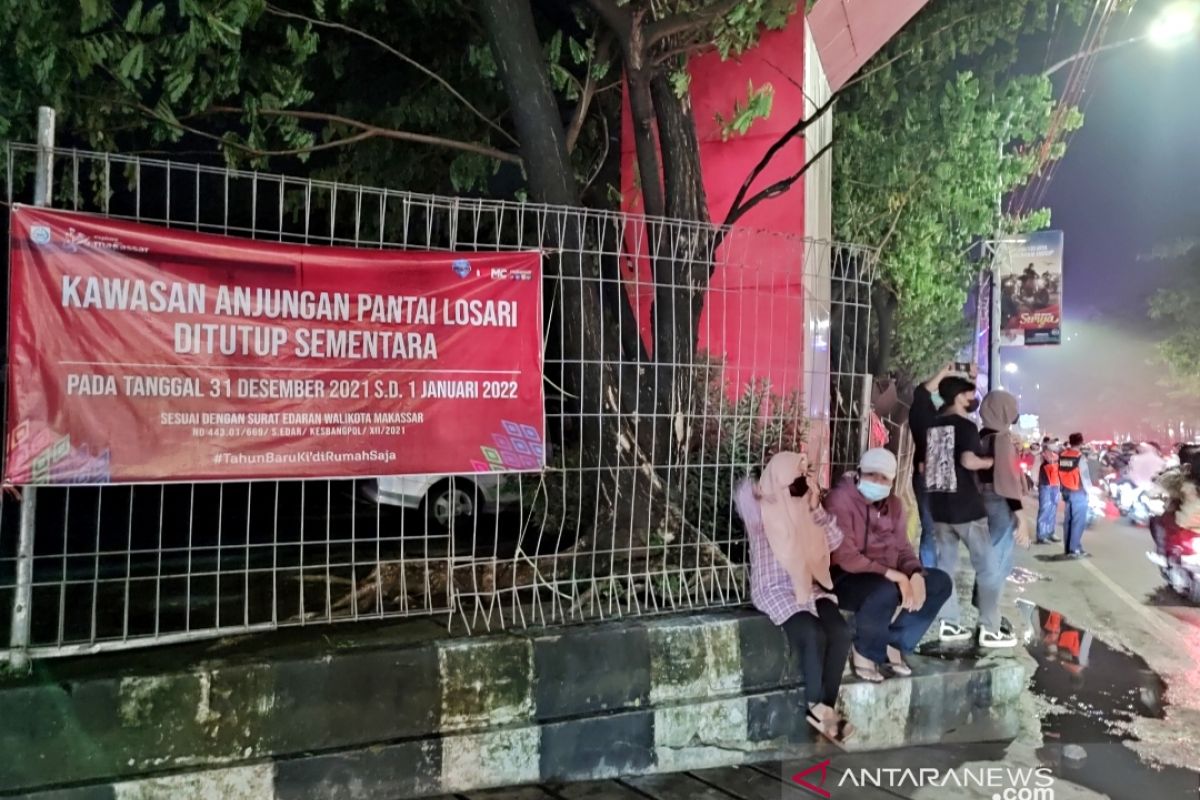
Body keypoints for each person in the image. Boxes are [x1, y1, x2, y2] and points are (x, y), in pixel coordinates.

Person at [736, 451, 853, 745]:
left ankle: (826, 706)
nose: (801, 483)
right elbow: (743, 498)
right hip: (775, 589)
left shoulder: (805, 508)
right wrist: (764, 490)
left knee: (839, 632)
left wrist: (815, 507)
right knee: (812, 633)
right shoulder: (762, 511)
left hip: (809, 587)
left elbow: (835, 540)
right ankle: (817, 707)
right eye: (797, 477)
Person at [826, 448, 953, 681]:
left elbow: (903, 548)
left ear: (892, 481)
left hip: (884, 575)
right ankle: (864, 651)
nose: (877, 481)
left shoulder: (894, 505)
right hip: (844, 577)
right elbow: (846, 556)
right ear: (859, 473)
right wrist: (896, 576)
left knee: (939, 582)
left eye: (884, 478)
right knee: (883, 589)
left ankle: (894, 642)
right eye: (871, 474)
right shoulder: (840, 499)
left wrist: (914, 573)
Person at [925, 376, 1017, 648]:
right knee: (988, 568)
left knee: (946, 567)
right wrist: (993, 460)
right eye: (969, 395)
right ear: (959, 397)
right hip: (965, 506)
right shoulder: (965, 425)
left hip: (938, 505)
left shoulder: (934, 424)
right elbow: (968, 460)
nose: (972, 400)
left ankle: (949, 624)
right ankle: (989, 628)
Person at [909, 363, 970, 568]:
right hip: (930, 478)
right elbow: (922, 391)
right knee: (934, 530)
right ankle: (930, 574)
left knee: (938, 530)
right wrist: (945, 370)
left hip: (943, 479)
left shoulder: (952, 419)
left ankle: (935, 573)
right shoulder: (926, 414)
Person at [978, 391, 1032, 590]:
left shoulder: (983, 435)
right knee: (999, 558)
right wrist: (1022, 520)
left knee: (991, 554)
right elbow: (1007, 481)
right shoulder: (1001, 440)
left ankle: (985, 605)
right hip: (999, 500)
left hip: (984, 497)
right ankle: (988, 612)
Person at [1058, 433, 1093, 558]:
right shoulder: (1079, 457)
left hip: (1066, 490)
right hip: (1078, 490)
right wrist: (1090, 491)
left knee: (1068, 520)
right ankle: (1074, 550)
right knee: (1078, 521)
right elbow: (1084, 476)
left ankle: (1070, 548)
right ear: (1081, 442)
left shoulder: (1062, 455)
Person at [1035, 443, 1062, 544]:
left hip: (1055, 485)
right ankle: (1041, 535)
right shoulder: (1041, 457)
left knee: (1053, 510)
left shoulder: (1057, 457)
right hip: (1045, 486)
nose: (1052, 452)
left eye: (1053, 450)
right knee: (1045, 510)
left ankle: (1050, 532)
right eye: (1050, 450)